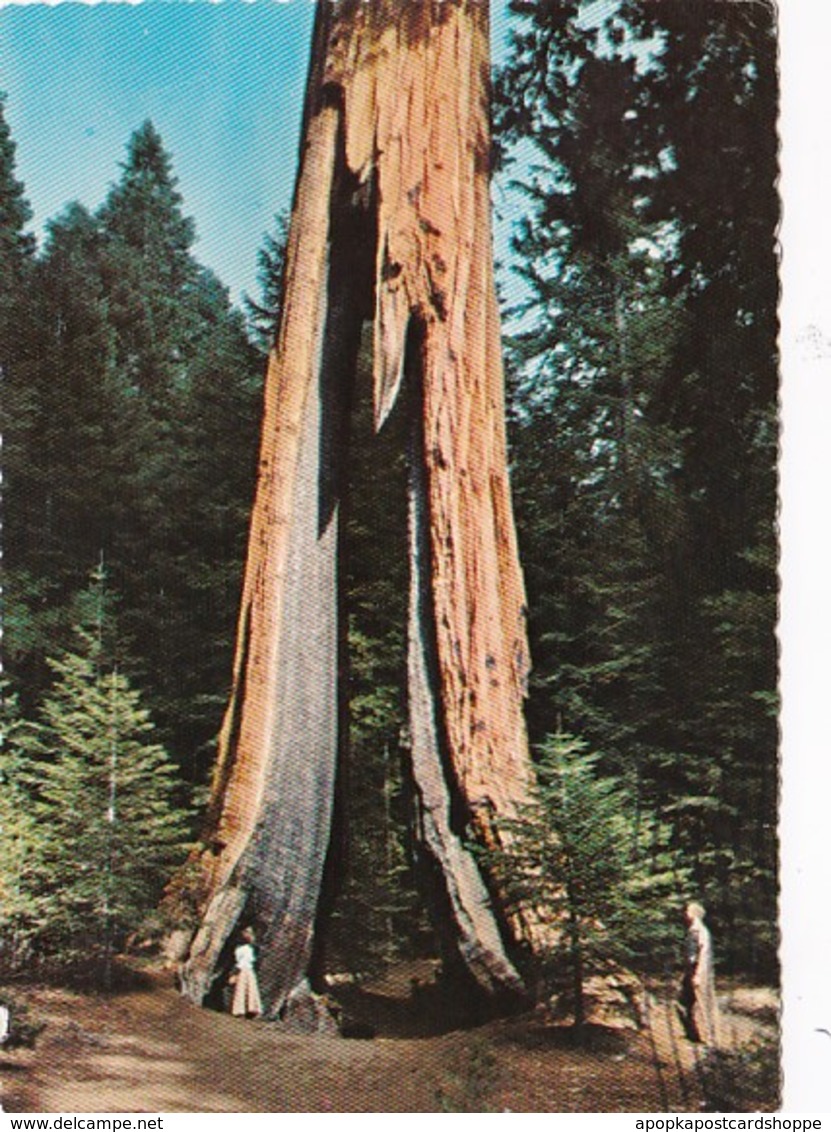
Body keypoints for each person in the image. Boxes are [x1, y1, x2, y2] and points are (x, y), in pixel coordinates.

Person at [678, 901, 720, 1046]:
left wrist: (697, 975)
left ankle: (711, 1039)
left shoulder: (699, 932)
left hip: (698, 973)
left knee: (704, 1005)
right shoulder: (695, 930)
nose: (685, 914)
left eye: (688, 911)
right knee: (683, 1003)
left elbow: (700, 956)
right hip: (693, 972)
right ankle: (692, 1035)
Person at [230, 926, 263, 1019]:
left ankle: (251, 1010)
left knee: (248, 989)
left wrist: (235, 972)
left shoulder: (247, 949)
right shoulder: (241, 948)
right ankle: (241, 1010)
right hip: (244, 969)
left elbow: (244, 961)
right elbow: (240, 961)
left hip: (246, 970)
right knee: (242, 989)